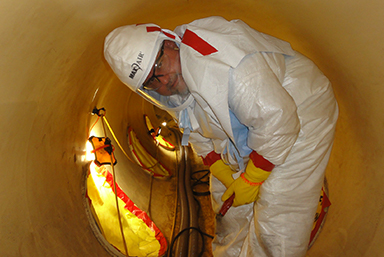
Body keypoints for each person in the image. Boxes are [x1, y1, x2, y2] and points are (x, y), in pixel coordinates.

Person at [104, 16, 338, 257]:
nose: (163, 80)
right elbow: (194, 130)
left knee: (275, 219)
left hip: (301, 111)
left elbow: (278, 121)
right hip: (254, 129)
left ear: (171, 43)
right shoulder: (172, 92)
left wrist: (254, 177)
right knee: (226, 208)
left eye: (159, 65)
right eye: (151, 81)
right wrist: (221, 168)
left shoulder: (225, 66)